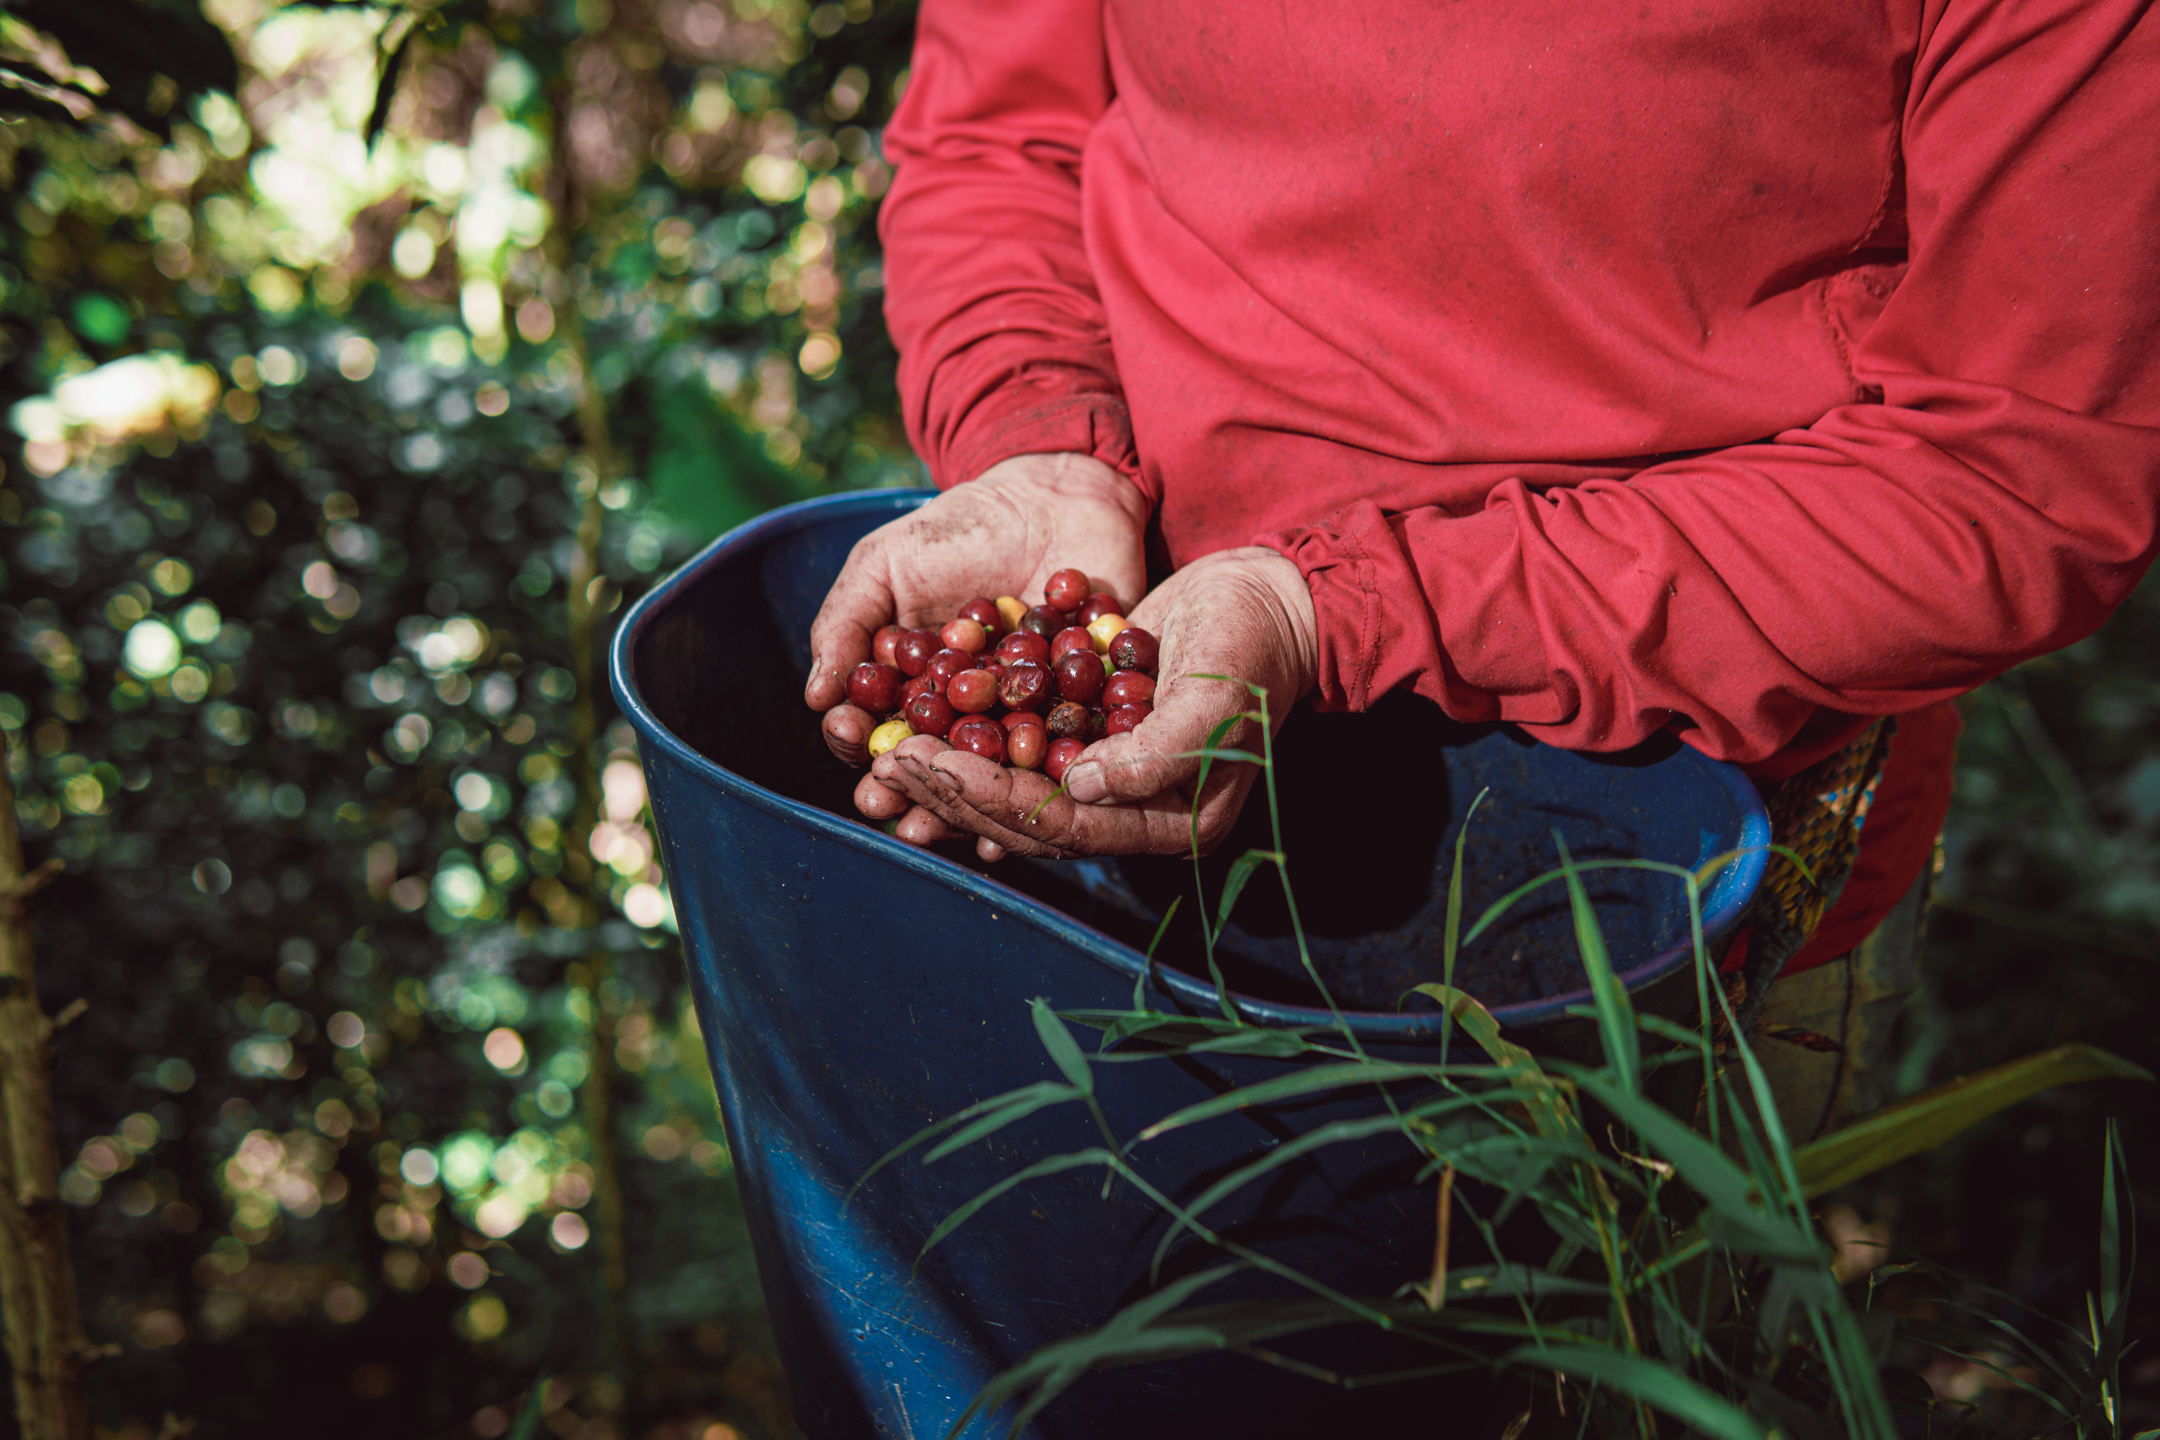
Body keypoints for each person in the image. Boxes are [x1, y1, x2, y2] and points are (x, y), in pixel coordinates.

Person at [803, 0, 2160, 1127]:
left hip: (1672, 875)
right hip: (1137, 781)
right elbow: (1002, 134)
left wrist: (1344, 610)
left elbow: (2019, 472)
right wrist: (1043, 436)